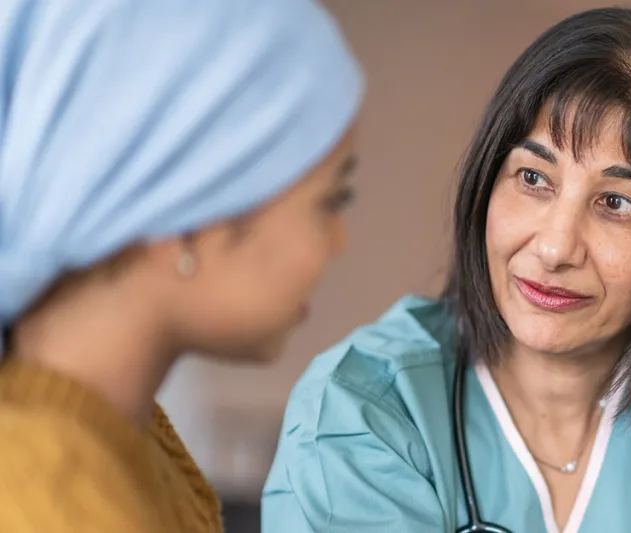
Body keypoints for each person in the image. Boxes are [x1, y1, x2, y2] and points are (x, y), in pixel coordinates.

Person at [263, 7, 631, 533]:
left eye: (617, 203)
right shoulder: (364, 409)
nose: (555, 247)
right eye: (534, 178)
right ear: (488, 180)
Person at [0, 0, 363, 532]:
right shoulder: (46, 502)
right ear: (188, 219)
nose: (338, 243)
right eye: (330, 202)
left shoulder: (123, 435)